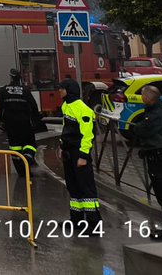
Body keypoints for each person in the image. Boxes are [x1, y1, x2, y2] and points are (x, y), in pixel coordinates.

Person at [130, 84, 162, 240]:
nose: (141, 98)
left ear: (148, 98)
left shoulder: (156, 114)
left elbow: (143, 129)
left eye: (142, 95)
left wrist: (139, 127)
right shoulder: (156, 111)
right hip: (160, 155)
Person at [60, 78, 101, 230]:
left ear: (68, 90)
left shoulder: (82, 109)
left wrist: (83, 156)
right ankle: (76, 219)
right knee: (73, 187)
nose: (59, 91)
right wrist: (61, 146)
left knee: (86, 188)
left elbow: (88, 135)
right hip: (68, 152)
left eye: (62, 89)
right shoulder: (66, 106)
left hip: (79, 153)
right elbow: (66, 129)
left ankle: (93, 223)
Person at [0, 68, 42, 176]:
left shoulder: (3, 90)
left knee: (14, 146)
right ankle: (27, 159)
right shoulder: (25, 90)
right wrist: (36, 119)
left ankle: (21, 172)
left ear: (11, 77)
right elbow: (34, 105)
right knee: (30, 144)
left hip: (10, 124)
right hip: (24, 122)